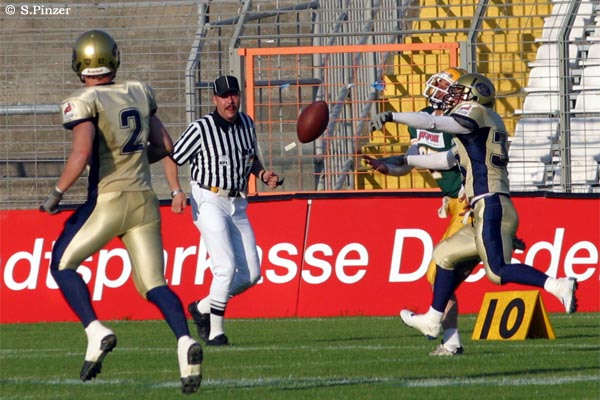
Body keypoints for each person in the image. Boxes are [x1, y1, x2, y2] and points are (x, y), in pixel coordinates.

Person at [39, 30, 202, 394]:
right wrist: (133, 158)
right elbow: (166, 146)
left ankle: (95, 330)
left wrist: (55, 194)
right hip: (144, 200)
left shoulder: (83, 99)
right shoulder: (139, 91)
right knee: (154, 284)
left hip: (108, 200)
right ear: (113, 58)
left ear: (79, 62)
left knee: (62, 264)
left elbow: (81, 154)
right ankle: (184, 342)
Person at [367, 72, 578, 340]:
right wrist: (401, 161)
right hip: (485, 207)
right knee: (444, 255)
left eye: (459, 93)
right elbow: (444, 160)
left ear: (476, 95)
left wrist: (392, 116)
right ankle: (433, 319)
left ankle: (557, 285)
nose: (453, 98)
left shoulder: (476, 113)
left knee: (497, 270)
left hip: (490, 202)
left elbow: (433, 121)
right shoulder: (479, 130)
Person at [364, 67, 474, 356]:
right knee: (445, 274)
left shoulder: (459, 122)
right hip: (453, 205)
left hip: (468, 203)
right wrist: (387, 167)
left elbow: (444, 160)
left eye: (446, 85)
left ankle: (442, 332)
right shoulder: (421, 119)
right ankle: (450, 341)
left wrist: (403, 160)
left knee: (440, 271)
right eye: (439, 83)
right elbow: (411, 161)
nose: (437, 88)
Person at [171, 75, 281, 346]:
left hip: (237, 201)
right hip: (209, 198)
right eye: (224, 96)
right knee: (225, 267)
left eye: (234, 95)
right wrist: (176, 191)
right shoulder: (201, 128)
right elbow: (173, 157)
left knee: (251, 274)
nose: (230, 101)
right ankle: (216, 333)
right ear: (215, 99)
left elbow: (250, 158)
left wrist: (263, 174)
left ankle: (202, 307)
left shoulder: (246, 123)